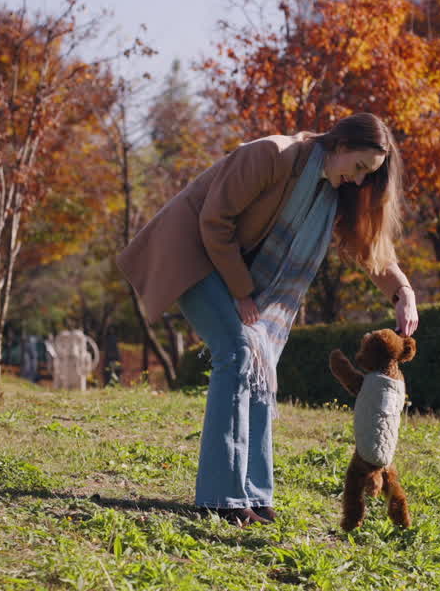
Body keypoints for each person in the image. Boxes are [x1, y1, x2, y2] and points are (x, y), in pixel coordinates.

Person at [117, 112, 419, 526]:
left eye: (371, 174)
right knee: (240, 352)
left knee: (261, 367)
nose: (361, 180)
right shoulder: (271, 155)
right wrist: (242, 292)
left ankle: (255, 495)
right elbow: (213, 221)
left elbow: (373, 252)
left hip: (237, 271)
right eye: (360, 167)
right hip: (195, 254)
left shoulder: (335, 193)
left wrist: (404, 293)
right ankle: (219, 498)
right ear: (340, 145)